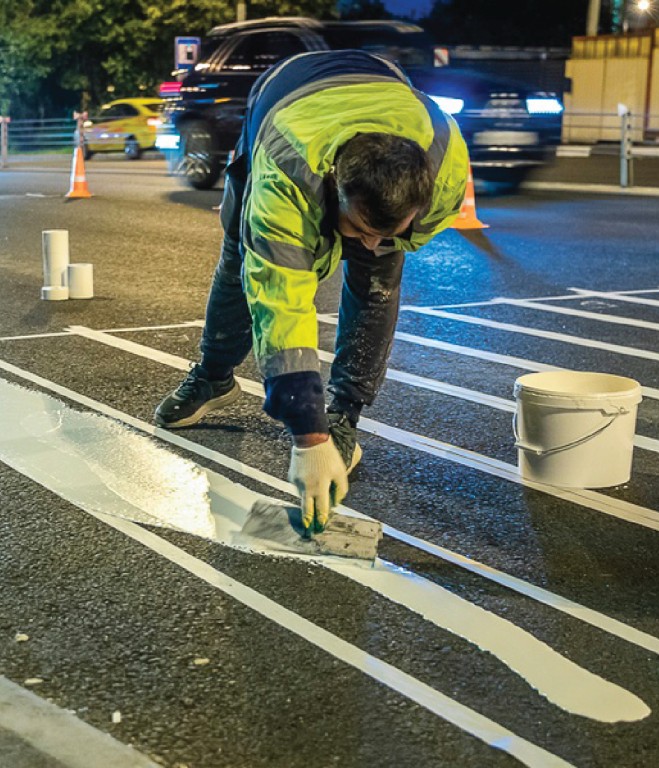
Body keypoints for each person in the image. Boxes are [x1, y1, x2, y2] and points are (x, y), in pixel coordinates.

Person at [154, 50, 469, 535]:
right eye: (360, 227)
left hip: (383, 89)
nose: (368, 243)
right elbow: (279, 298)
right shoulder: (286, 172)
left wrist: (329, 428)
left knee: (377, 281)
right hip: (283, 98)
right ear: (333, 185)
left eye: (390, 230)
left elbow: (380, 249)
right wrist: (307, 433)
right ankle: (215, 376)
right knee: (243, 257)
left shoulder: (445, 165)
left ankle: (346, 414)